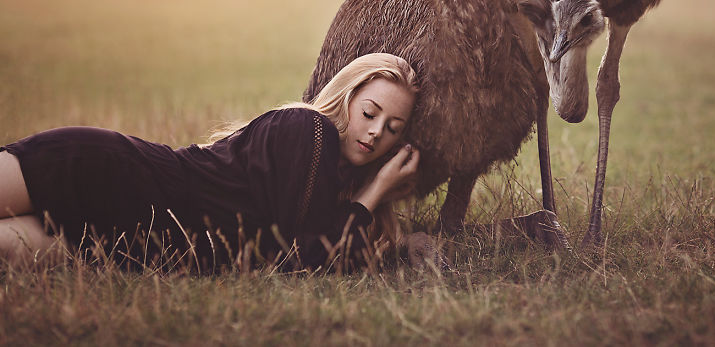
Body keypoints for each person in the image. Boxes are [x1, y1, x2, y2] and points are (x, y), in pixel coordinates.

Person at [0, 53, 421, 272]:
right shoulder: (309, 128)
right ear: (345, 98)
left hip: (124, 245)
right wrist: (375, 191)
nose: (375, 132)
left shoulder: (328, 184)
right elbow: (304, 256)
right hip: (108, 173)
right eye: (369, 113)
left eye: (393, 128)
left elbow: (312, 253)